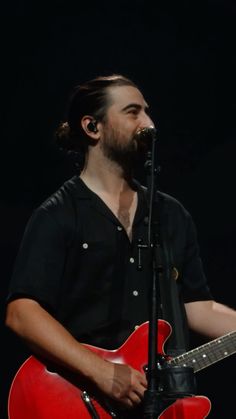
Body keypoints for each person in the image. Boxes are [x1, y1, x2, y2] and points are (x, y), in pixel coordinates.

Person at [5, 74, 236, 417]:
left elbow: (198, 308)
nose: (149, 124)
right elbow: (22, 313)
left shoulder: (170, 214)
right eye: (133, 112)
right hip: (79, 402)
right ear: (92, 127)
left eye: (148, 112)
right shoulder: (57, 215)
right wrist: (100, 371)